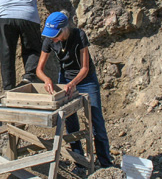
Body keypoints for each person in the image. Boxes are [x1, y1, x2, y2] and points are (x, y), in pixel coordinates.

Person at [36, 11, 114, 168]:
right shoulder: (49, 40)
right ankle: (79, 160)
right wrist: (47, 79)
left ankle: (105, 163)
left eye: (56, 34)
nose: (53, 38)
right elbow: (39, 69)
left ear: (65, 29)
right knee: (69, 119)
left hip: (86, 80)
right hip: (64, 80)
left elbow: (85, 68)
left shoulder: (79, 35)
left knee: (96, 118)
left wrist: (73, 83)